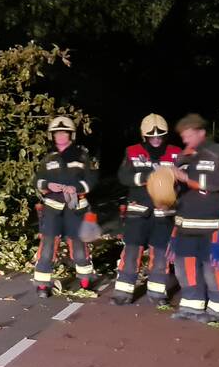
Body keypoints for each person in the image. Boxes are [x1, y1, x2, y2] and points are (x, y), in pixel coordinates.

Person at [111, 114, 182, 305]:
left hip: (164, 215)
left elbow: (184, 180)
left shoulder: (176, 153)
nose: (156, 139)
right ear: (145, 135)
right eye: (152, 136)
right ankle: (123, 292)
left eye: (160, 136)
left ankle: (157, 294)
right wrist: (148, 177)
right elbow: (124, 177)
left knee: (160, 255)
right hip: (138, 212)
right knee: (131, 252)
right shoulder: (132, 152)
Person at [168, 114, 219, 323]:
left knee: (213, 270)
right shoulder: (182, 157)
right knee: (184, 268)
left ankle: (216, 311)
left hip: (213, 226)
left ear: (201, 132)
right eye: (183, 137)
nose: (185, 140)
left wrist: (186, 178)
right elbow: (175, 189)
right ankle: (191, 307)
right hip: (185, 225)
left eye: (189, 135)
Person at [32, 116, 99, 298]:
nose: (61, 136)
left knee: (79, 248)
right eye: (57, 133)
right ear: (52, 136)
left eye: (64, 133)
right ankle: (42, 285)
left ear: (71, 135)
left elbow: (91, 180)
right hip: (52, 210)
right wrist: (48, 185)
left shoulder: (82, 156)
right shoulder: (49, 159)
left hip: (75, 209)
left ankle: (85, 281)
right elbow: (37, 180)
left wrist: (76, 188)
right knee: (47, 247)